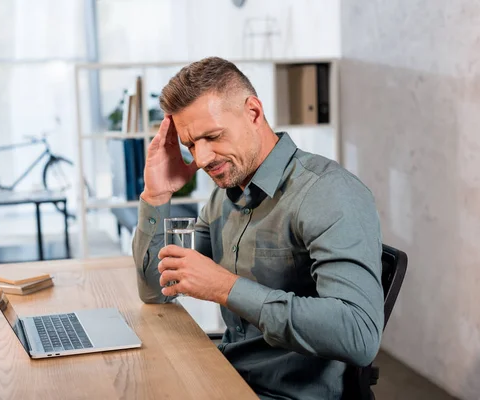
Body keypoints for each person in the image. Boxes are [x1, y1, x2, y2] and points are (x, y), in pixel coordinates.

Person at [132, 57, 384, 399]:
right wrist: (156, 194)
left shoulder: (327, 193)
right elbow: (157, 291)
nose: (202, 159)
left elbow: (359, 335)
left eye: (212, 136)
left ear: (253, 112)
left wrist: (225, 287)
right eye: (191, 144)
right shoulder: (224, 195)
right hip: (228, 377)